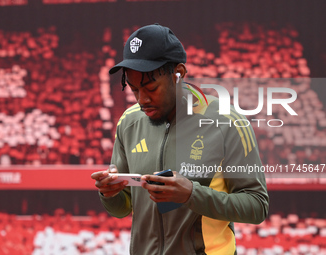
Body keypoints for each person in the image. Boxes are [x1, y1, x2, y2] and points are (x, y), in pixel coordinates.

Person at [91, 24, 269, 255]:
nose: (142, 99)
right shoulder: (129, 122)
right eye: (134, 89)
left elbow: (257, 206)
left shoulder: (227, 122)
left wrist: (191, 194)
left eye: (151, 87)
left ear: (179, 73)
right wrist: (109, 193)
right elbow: (123, 208)